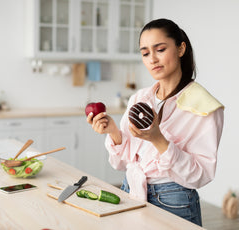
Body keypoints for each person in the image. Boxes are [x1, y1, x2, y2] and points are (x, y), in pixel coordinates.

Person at [86, 18, 224, 226]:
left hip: (173, 201)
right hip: (130, 190)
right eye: (145, 53)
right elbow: (120, 164)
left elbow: (200, 175)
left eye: (160, 49)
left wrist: (159, 140)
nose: (152, 59)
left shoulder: (204, 105)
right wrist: (114, 132)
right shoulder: (140, 98)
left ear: (180, 49)